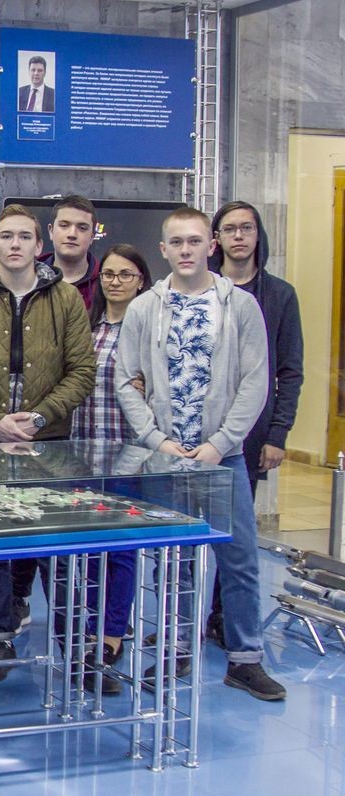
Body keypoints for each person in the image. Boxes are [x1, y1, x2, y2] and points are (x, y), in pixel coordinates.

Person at [115, 206, 285, 702]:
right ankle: (175, 649)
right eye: (176, 242)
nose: (186, 250)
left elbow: (255, 381)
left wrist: (219, 445)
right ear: (163, 250)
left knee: (240, 560)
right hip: (167, 459)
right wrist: (157, 441)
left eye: (194, 241)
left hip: (221, 460)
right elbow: (126, 380)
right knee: (174, 563)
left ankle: (245, 658)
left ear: (211, 245)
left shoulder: (240, 306)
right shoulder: (144, 308)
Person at [0, 203, 94, 679]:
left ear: (38, 244)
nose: (15, 244)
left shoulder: (66, 299)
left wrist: (38, 417)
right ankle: (0, 641)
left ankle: (76, 649)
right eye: (6, 236)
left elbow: (82, 371)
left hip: (48, 444)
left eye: (24, 236)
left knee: (54, 547)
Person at [205, 200, 304, 646]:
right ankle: (181, 627)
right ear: (217, 239)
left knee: (238, 539)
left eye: (247, 228)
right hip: (196, 434)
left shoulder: (279, 295)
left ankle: (224, 619)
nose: (239, 236)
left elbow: (289, 370)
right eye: (230, 229)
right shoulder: (202, 291)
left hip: (251, 434)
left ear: (258, 234)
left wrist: (278, 433)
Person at [67, 244, 154, 695]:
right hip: (83, 453)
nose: (115, 281)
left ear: (142, 281)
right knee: (88, 549)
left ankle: (111, 636)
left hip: (129, 456)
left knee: (121, 550)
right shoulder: (88, 327)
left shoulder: (150, 331)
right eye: (109, 274)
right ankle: (86, 629)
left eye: (126, 274)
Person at [42, 195, 100, 308]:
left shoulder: (105, 282)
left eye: (82, 228)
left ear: (92, 237)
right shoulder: (30, 277)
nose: (72, 234)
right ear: (51, 231)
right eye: (64, 225)